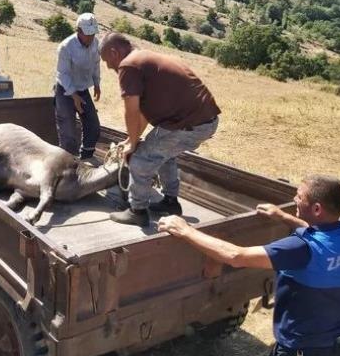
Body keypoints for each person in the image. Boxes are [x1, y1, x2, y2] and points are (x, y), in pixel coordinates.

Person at [158, 175, 340, 356]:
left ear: (317, 209)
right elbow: (320, 236)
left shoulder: (300, 249)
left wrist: (184, 230)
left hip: (305, 350)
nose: (294, 201)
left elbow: (235, 256)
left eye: (299, 197)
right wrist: (283, 217)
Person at [99, 33, 221, 226]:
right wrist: (131, 139)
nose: (108, 67)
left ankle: (137, 211)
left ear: (114, 52)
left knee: (139, 160)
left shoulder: (129, 65)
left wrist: (132, 146)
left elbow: (131, 110)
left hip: (188, 123)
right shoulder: (145, 59)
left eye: (106, 60)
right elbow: (145, 113)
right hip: (198, 121)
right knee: (165, 154)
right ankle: (170, 202)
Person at [54, 12, 102, 160]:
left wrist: (96, 83)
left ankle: (86, 158)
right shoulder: (66, 47)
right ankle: (67, 163)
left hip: (82, 89)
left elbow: (95, 65)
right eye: (88, 34)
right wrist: (73, 96)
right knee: (68, 132)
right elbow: (63, 74)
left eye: (93, 34)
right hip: (65, 91)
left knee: (93, 126)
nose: (91, 37)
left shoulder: (95, 44)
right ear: (78, 31)